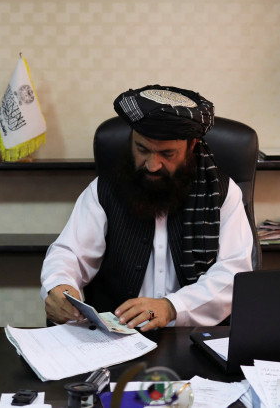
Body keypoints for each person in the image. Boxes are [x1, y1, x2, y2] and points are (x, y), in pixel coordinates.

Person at [40, 85, 254, 331]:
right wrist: (59, 284)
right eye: (142, 150)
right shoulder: (104, 189)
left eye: (167, 154)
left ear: (192, 145)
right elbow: (70, 253)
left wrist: (172, 307)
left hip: (189, 335)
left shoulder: (221, 192)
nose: (152, 165)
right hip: (116, 337)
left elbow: (233, 273)